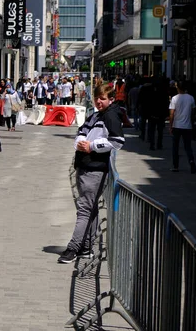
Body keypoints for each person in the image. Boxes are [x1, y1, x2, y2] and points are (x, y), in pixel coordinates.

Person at [58, 84, 125, 264]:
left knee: (84, 209)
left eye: (102, 98)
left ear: (111, 99)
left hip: (95, 170)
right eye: (97, 97)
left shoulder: (110, 115)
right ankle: (86, 247)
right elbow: (82, 130)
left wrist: (92, 146)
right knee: (90, 208)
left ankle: (73, 248)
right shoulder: (96, 115)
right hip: (85, 166)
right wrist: (81, 141)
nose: (98, 101)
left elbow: (117, 141)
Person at [169, 81, 196, 174]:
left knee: (175, 147)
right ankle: (191, 161)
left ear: (178, 88)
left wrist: (170, 125)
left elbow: (172, 113)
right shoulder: (191, 98)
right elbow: (193, 112)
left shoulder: (174, 98)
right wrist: (191, 121)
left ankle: (175, 166)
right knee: (188, 146)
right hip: (187, 126)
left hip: (177, 125)